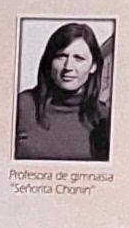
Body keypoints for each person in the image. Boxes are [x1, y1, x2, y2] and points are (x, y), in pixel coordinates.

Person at [12, 21, 110, 162]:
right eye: (61, 56)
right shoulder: (21, 106)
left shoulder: (104, 119)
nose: (68, 66)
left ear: (93, 66)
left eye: (79, 58)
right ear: (49, 61)